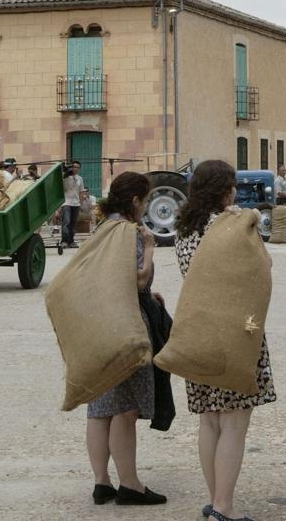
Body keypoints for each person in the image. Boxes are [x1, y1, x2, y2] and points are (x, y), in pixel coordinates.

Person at [174, 160, 276, 521]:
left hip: (197, 332)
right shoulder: (230, 224)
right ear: (224, 190)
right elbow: (263, 266)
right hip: (234, 334)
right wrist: (244, 220)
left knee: (210, 420)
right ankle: (224, 507)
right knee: (234, 422)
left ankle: (215, 500)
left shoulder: (186, 228)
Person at [85, 172, 170, 508]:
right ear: (135, 200)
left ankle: (101, 483)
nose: (146, 206)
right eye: (145, 200)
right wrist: (150, 249)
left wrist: (151, 294)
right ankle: (131, 486)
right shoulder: (129, 233)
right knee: (126, 409)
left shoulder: (103, 227)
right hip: (126, 326)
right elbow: (135, 280)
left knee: (100, 406)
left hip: (100, 325)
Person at [61, 161, 84, 249]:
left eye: (78, 167)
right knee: (66, 222)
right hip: (66, 202)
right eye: (74, 167)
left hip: (76, 203)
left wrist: (80, 204)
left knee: (73, 223)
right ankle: (64, 241)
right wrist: (65, 174)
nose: (76, 169)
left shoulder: (80, 179)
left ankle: (71, 241)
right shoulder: (65, 177)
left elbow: (81, 192)